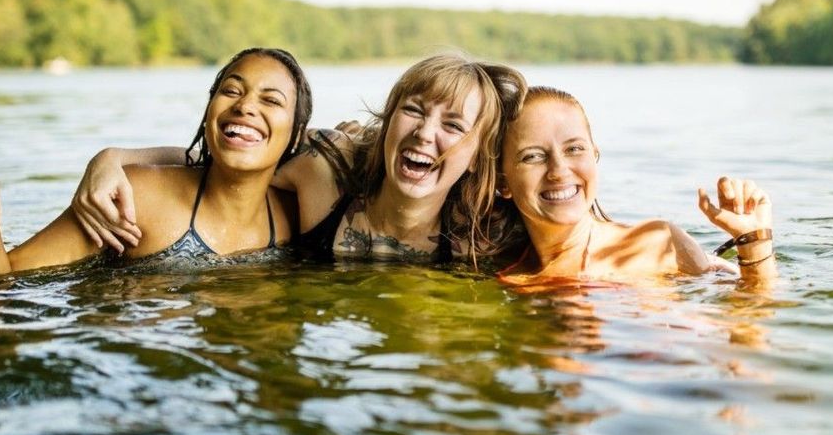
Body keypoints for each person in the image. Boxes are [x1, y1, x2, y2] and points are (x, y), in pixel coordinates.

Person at [73, 52, 526, 266]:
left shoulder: (484, 233)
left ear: (475, 157)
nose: (425, 134)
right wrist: (115, 157)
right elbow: (236, 158)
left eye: (452, 125)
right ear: (388, 122)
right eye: (413, 111)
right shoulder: (324, 170)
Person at [0, 48, 313, 277]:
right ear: (209, 111)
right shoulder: (136, 196)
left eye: (271, 100)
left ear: (296, 134)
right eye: (231, 90)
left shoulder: (302, 214)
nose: (244, 107)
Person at [495, 86, 777, 286]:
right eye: (533, 156)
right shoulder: (514, 280)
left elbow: (758, 319)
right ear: (503, 183)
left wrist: (753, 242)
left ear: (595, 156)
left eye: (574, 149)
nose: (558, 171)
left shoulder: (658, 243)